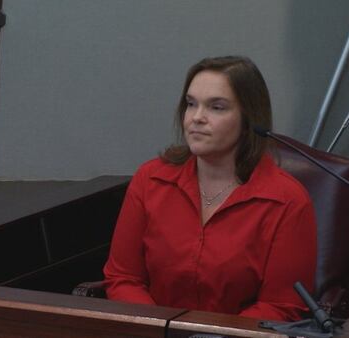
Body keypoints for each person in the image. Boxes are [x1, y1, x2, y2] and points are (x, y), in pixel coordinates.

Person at [103, 56, 317, 321]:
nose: (197, 118)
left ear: (249, 119)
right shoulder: (151, 179)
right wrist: (160, 329)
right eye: (191, 104)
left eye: (216, 107)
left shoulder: (287, 200)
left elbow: (281, 306)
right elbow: (123, 278)